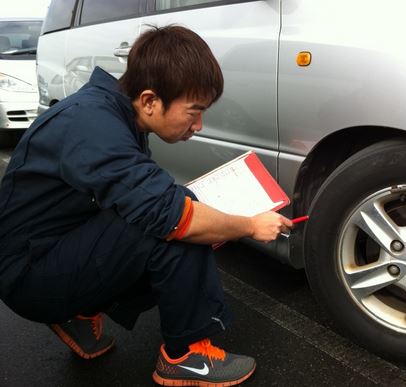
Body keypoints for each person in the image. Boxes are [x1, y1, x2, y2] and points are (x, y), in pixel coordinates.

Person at [0, 25, 293, 386]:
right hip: (29, 275)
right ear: (151, 100)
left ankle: (78, 310)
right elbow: (170, 217)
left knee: (169, 209)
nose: (199, 125)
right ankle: (185, 356)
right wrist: (249, 225)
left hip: (51, 248)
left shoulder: (113, 114)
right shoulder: (93, 125)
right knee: (175, 221)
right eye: (194, 111)